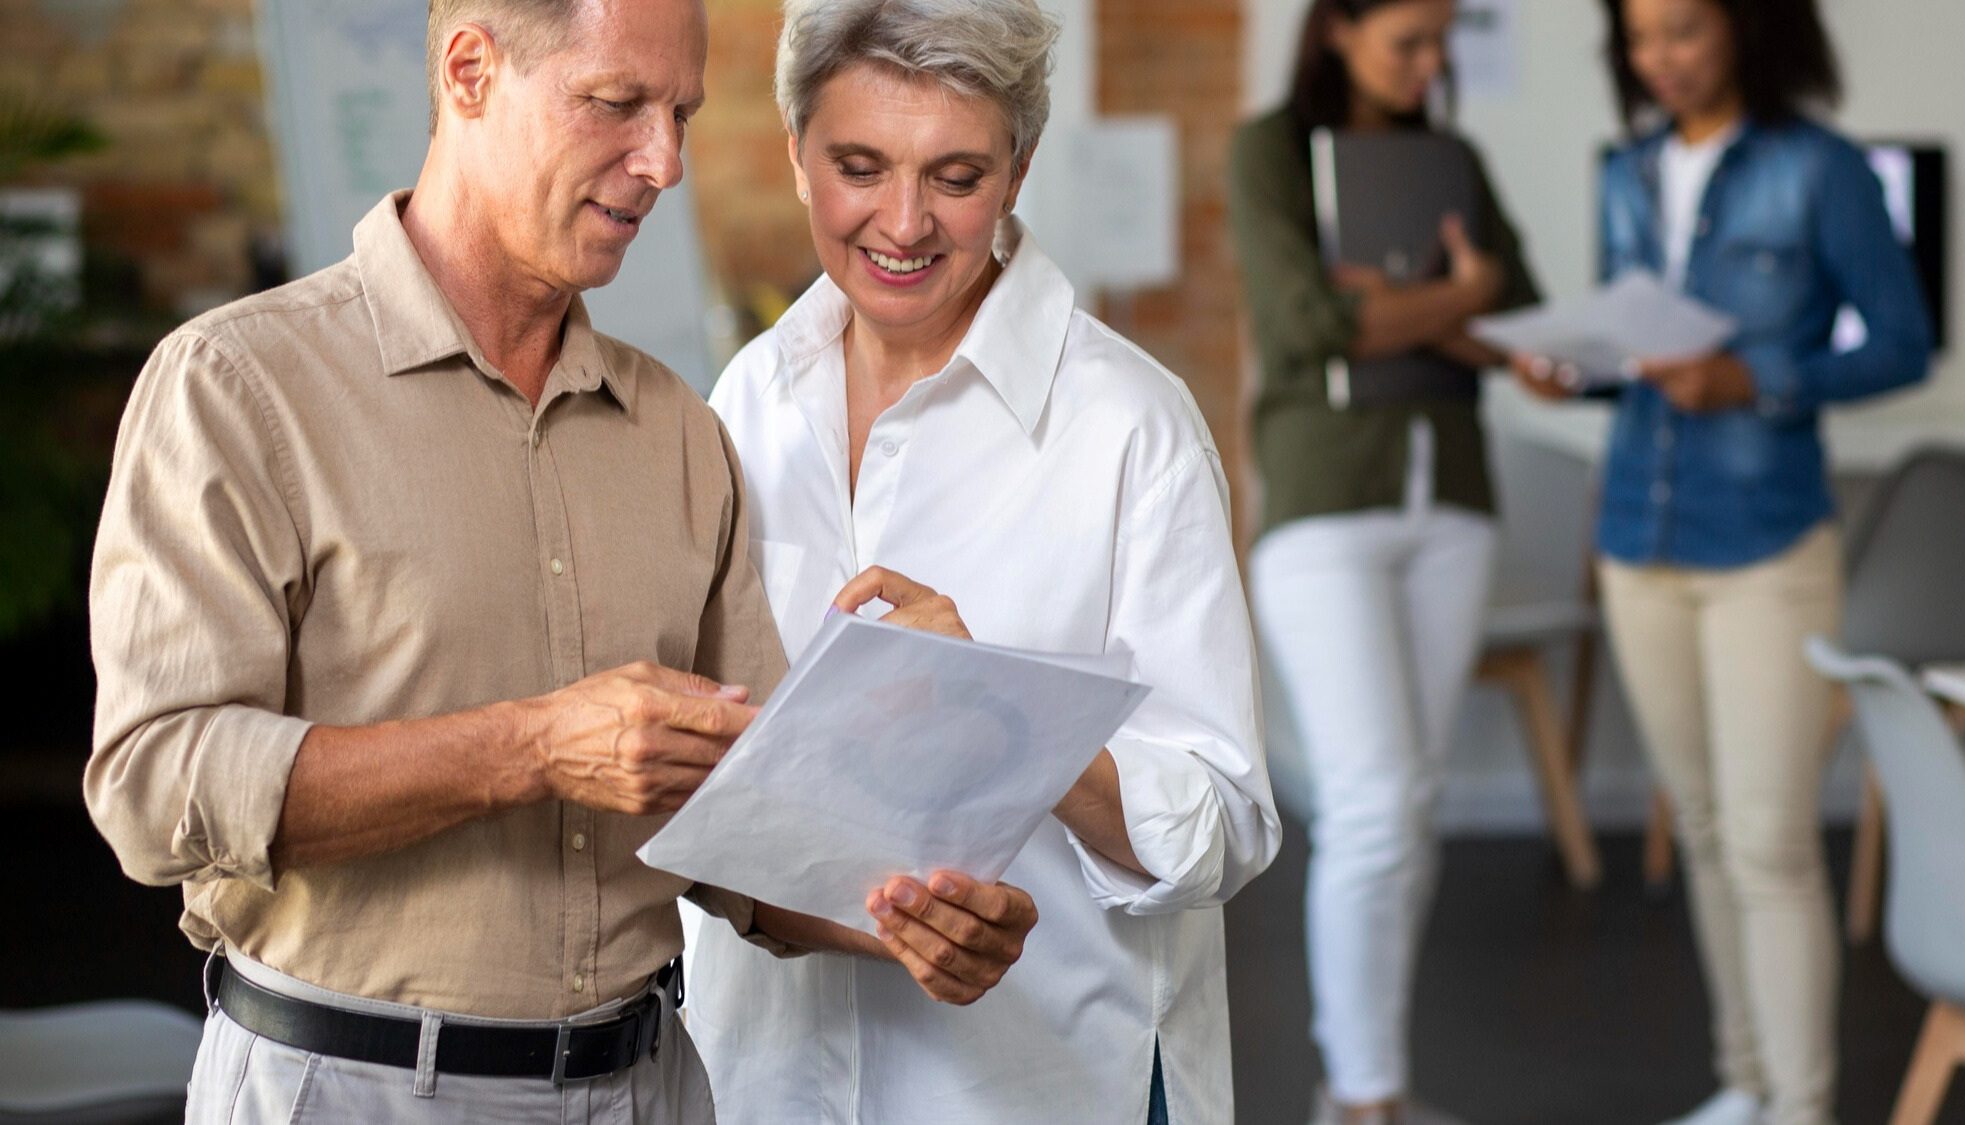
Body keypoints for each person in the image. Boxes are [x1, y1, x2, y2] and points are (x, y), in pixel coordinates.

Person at [84, 0, 1034, 1119]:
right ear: (469, 71)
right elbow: (154, 783)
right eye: (616, 103)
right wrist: (530, 747)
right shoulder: (238, 387)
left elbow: (752, 824)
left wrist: (915, 921)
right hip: (350, 1088)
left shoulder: (679, 432)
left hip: (646, 1087)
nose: (664, 163)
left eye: (680, 114)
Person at [682, 0, 1280, 1120]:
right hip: (770, 1077)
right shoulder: (744, 403)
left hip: (1035, 1083)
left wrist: (997, 707)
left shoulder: (1129, 427)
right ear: (797, 154)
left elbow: (1225, 821)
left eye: (955, 177)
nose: (903, 222)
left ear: (1017, 172)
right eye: (859, 167)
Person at [1510, 1, 1931, 1121]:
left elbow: (1903, 341)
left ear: (1745, 25)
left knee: (1767, 843)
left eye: (1684, 31)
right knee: (1699, 829)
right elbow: (1634, 354)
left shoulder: (1819, 169)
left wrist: (1756, 379)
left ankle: (1799, 1105)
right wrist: (1572, 371)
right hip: (1636, 537)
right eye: (1641, 37)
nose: (1660, 58)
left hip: (1764, 541)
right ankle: (1743, 1083)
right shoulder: (1628, 171)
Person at [1225, 1, 1538, 1121]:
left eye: (1441, 40)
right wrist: (1460, 297)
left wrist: (1408, 306)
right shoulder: (1269, 150)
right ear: (1339, 31)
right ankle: (1361, 1100)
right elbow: (1307, 324)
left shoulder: (1453, 157)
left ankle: (1374, 1083)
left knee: (1412, 806)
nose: (1431, 62)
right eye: (1408, 40)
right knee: (1369, 803)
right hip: (1324, 507)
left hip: (1450, 503)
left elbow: (1523, 313)